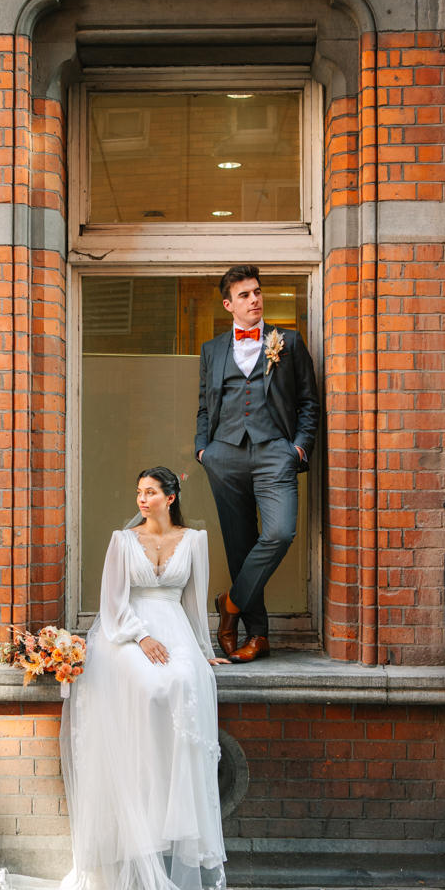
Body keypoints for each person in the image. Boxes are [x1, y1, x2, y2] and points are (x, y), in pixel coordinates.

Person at [0, 466, 277, 890]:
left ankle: (171, 831)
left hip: (174, 630)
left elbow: (196, 603)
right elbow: (111, 602)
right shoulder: (123, 542)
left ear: (170, 497)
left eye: (151, 491)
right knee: (150, 687)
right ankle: (137, 830)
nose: (142, 498)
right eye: (139, 491)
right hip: (129, 634)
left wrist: (202, 651)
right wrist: (136, 636)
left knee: (187, 685)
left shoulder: (194, 542)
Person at [196, 265, 319, 662]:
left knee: (280, 533)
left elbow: (308, 403)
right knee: (239, 546)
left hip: (274, 454)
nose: (255, 300)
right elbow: (205, 405)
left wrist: (298, 448)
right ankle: (258, 635)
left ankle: (229, 604)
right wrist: (204, 449)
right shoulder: (212, 350)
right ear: (229, 304)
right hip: (224, 455)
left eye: (257, 292)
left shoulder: (289, 342)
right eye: (245, 295)